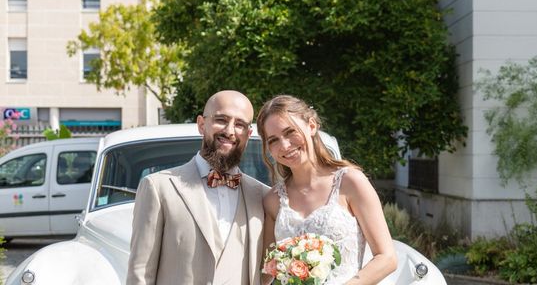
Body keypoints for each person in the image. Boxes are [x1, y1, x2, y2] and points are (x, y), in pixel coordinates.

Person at [127, 90, 270, 285]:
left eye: (240, 124)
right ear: (202, 125)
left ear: (248, 133)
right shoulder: (158, 187)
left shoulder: (262, 195)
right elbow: (140, 274)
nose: (229, 131)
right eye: (221, 119)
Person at [257, 95, 397, 285]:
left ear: (312, 126)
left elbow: (387, 258)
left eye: (290, 132)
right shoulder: (273, 200)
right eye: (273, 140)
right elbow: (266, 272)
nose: (285, 145)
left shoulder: (350, 182)